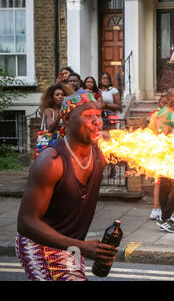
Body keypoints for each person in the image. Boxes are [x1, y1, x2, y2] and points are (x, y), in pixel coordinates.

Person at [16, 89, 118, 281]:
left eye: (98, 115)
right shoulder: (52, 161)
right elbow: (26, 222)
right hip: (40, 245)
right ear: (67, 120)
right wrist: (82, 246)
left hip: (71, 246)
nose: (97, 121)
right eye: (88, 116)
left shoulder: (100, 152)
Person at [148, 95, 169, 221]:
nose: (165, 105)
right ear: (160, 103)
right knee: (160, 182)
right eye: (163, 102)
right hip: (161, 151)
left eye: (167, 102)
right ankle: (157, 209)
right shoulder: (157, 116)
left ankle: (158, 209)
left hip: (163, 151)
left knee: (161, 182)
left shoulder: (158, 115)